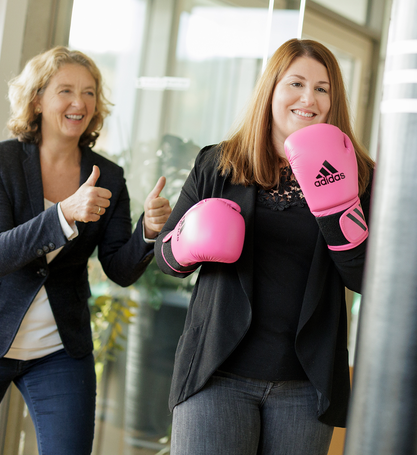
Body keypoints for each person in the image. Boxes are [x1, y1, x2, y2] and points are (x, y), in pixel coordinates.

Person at [156, 38, 374, 455]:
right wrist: (188, 243)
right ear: (271, 90)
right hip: (216, 374)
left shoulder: (359, 176)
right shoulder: (218, 164)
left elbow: (367, 279)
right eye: (295, 83)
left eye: (322, 88)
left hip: (304, 386)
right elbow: (165, 259)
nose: (308, 98)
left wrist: (337, 211)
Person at [0, 47, 172, 455]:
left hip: (58, 350)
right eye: (66, 91)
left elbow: (119, 268)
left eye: (90, 92)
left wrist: (148, 232)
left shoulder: (109, 175)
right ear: (38, 99)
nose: (80, 103)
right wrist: (63, 214)